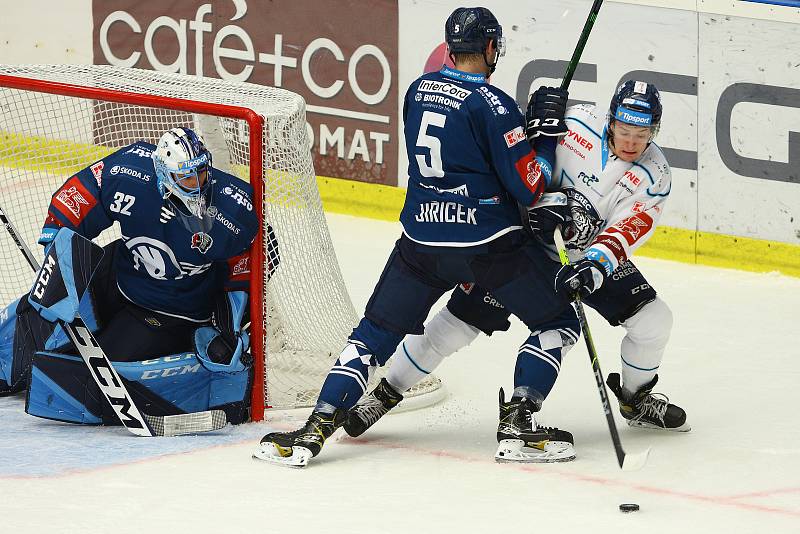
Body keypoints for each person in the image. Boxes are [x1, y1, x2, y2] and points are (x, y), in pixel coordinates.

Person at [255, 6, 580, 467]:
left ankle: (314, 429)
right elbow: (530, 186)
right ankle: (518, 426)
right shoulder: (495, 105)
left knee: (372, 337)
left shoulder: (418, 90)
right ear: (490, 48)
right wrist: (542, 137)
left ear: (451, 46)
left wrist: (517, 136)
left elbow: (462, 153)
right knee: (558, 321)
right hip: (487, 246)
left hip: (421, 242)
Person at [344, 80, 691, 454]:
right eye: (624, 131)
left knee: (654, 321)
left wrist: (594, 266)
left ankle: (633, 400)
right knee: (456, 327)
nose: (630, 142)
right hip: (518, 247)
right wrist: (535, 122)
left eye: (642, 135)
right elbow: (514, 159)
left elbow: (628, 228)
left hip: (586, 257)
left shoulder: (656, 174)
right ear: (609, 121)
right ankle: (386, 393)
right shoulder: (575, 124)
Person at [0, 127, 264, 426]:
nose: (197, 184)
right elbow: (83, 191)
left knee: (95, 373)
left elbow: (259, 257)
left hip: (171, 309)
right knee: (37, 314)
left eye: (201, 173)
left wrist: (231, 323)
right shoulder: (130, 170)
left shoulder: (234, 208)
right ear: (164, 173)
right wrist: (56, 247)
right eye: (185, 177)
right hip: (115, 273)